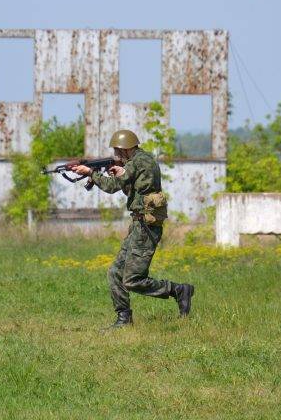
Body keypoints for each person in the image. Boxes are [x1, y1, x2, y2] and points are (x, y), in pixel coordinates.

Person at [67, 129, 195, 328]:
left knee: (132, 280)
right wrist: (117, 172)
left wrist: (91, 173)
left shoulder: (137, 162)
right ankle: (124, 319)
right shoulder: (138, 161)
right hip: (138, 224)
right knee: (114, 273)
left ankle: (178, 290)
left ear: (125, 149)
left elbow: (111, 187)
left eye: (118, 151)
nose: (116, 154)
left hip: (145, 227)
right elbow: (131, 190)